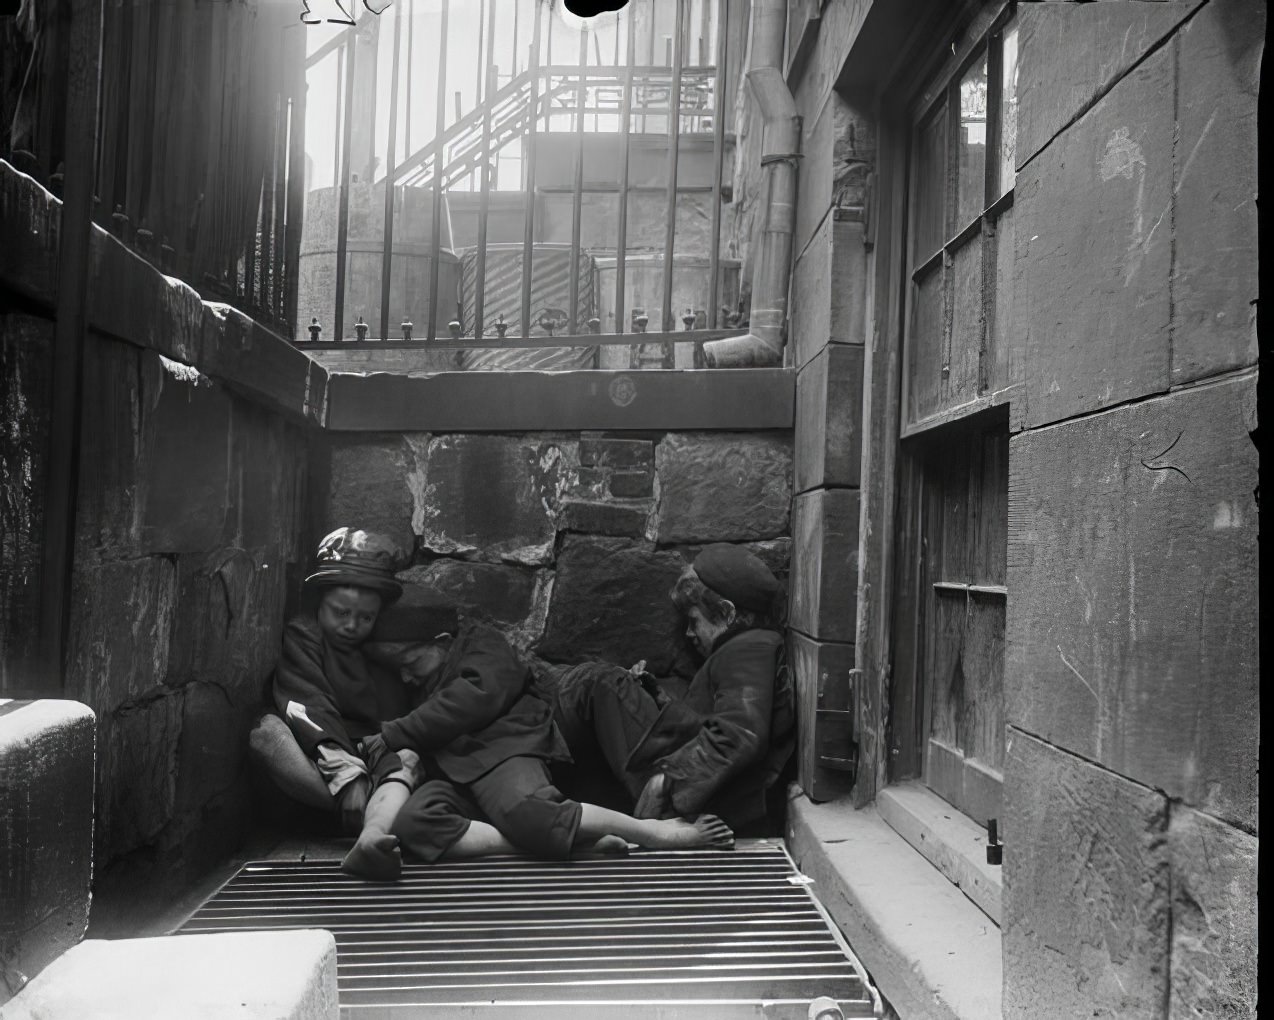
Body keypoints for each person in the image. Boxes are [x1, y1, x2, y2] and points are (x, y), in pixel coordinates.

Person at [370, 610, 735, 866]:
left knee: (529, 812)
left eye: (410, 663)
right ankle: (564, 845)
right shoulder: (418, 684)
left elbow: (473, 697)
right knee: (413, 826)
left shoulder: (481, 644)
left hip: (502, 748)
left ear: (442, 642)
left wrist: (391, 734)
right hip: (457, 773)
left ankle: (653, 832)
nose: (405, 677)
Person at [544, 543, 795, 834]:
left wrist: (665, 780)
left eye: (694, 621)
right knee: (600, 686)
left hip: (700, 794)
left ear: (726, 613)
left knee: (599, 684)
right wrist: (655, 697)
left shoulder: (751, 647)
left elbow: (741, 732)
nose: (689, 633)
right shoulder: (747, 648)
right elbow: (712, 719)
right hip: (695, 781)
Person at [250, 527, 426, 881]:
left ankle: (376, 819)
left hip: (376, 756)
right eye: (340, 612)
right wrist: (346, 776)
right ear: (320, 603)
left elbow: (398, 724)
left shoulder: (384, 647)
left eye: (365, 618)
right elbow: (307, 703)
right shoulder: (305, 634)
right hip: (323, 763)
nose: (351, 625)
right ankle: (370, 814)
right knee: (265, 734)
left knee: (412, 760)